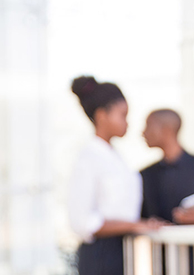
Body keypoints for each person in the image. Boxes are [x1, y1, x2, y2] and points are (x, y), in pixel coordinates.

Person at [68, 75, 163, 275]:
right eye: (122, 115)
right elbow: (81, 222)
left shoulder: (114, 156)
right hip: (100, 256)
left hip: (120, 252)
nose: (127, 123)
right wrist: (136, 225)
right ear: (102, 115)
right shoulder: (89, 158)